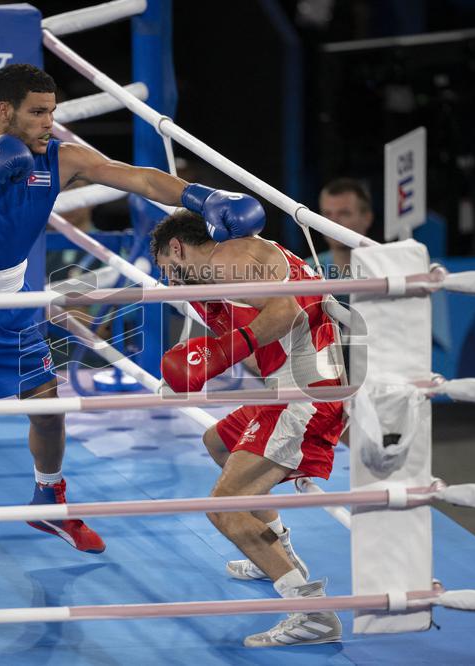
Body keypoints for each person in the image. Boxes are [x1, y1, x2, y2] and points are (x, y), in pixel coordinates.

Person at [0, 63, 266, 601]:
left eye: (52, 111)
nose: (50, 122)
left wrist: (201, 197)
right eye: (38, 112)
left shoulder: (61, 158)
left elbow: (138, 177)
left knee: (50, 413)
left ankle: (47, 501)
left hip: (10, 307)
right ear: (5, 110)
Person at [153, 209, 345, 647]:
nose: (171, 282)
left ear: (179, 248)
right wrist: (207, 351)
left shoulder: (226, 259)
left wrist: (218, 354)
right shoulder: (242, 259)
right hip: (291, 385)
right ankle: (273, 550)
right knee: (217, 442)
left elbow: (287, 311)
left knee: (225, 507)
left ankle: (311, 613)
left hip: (307, 394)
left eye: (168, 269)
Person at [315, 177, 374, 277]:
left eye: (344, 213)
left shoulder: (386, 269)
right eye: (327, 214)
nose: (332, 222)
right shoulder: (305, 271)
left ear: (367, 218)